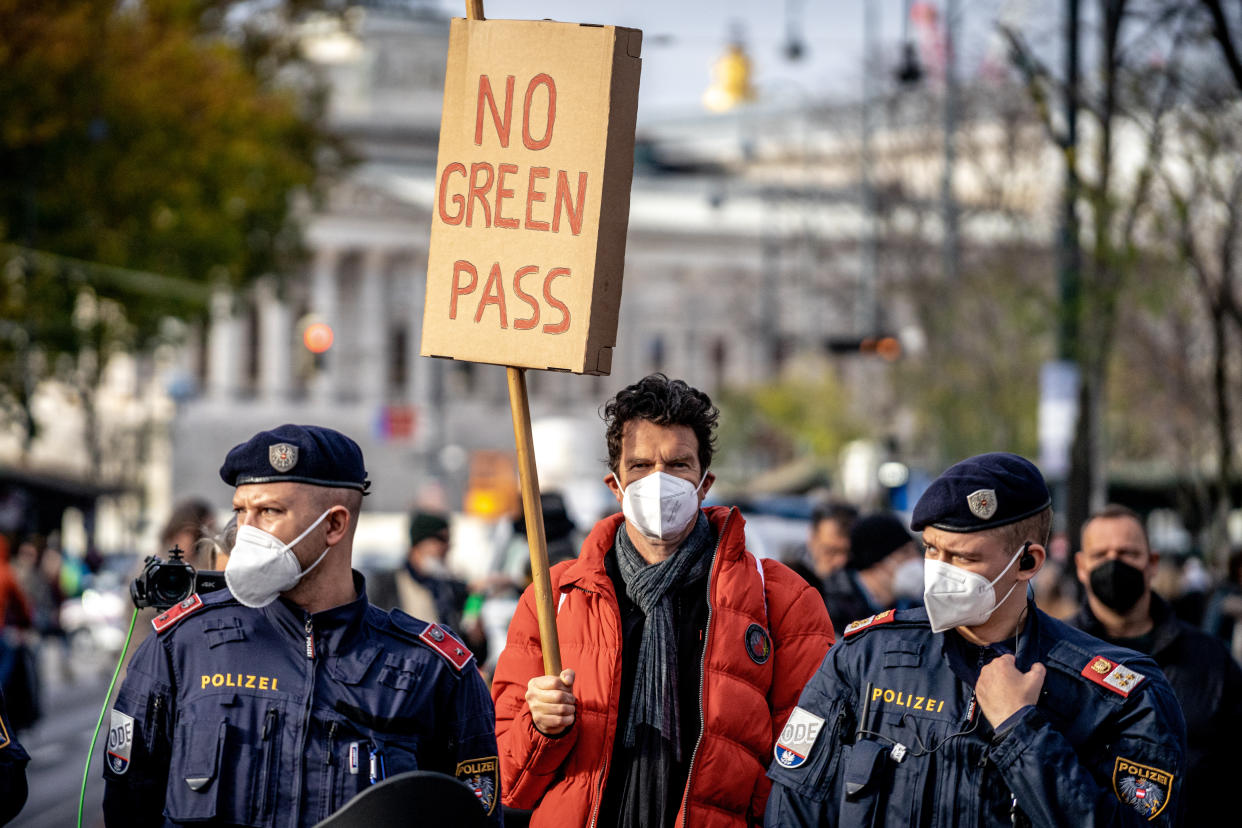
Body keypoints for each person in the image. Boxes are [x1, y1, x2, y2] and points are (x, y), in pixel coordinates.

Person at [102, 424, 501, 827]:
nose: (246, 533)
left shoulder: (433, 669)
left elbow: (475, 817)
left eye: (270, 512)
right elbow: (126, 807)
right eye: (241, 511)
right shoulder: (182, 645)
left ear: (334, 526)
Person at [766, 452, 1187, 826]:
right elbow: (794, 803)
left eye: (963, 557)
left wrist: (1021, 732)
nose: (940, 570)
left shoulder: (1117, 695)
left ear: (1028, 562)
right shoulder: (864, 658)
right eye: (932, 549)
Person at [491, 374, 834, 827]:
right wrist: (541, 728)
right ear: (615, 486)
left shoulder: (781, 601)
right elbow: (507, 780)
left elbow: (811, 756)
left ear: (704, 483)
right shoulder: (553, 599)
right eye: (639, 466)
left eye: (677, 465)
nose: (658, 481)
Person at [1069, 503, 1242, 827]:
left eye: (1127, 553)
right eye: (1101, 555)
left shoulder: (1211, 661)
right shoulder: (1054, 658)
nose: (1114, 564)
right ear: (1081, 566)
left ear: (1152, 563)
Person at [821, 512, 921, 626]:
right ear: (877, 563)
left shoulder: (915, 607)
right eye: (905, 553)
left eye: (916, 551)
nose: (916, 559)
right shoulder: (833, 610)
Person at [806, 503, 858, 582]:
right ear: (812, 539)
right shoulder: (793, 575)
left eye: (849, 553)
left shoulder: (857, 574)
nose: (841, 561)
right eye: (830, 551)